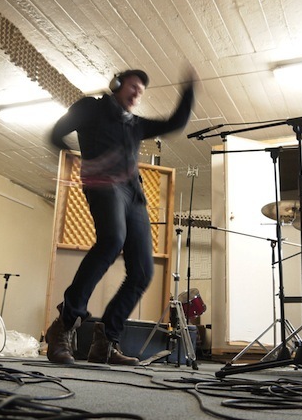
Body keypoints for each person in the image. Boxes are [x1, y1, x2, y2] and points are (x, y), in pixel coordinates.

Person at [46, 67, 195, 365]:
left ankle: (105, 343)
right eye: (133, 86)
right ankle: (64, 326)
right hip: (103, 185)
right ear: (116, 84)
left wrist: (189, 90)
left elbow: (174, 123)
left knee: (142, 272)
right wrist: (82, 161)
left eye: (141, 91)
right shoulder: (90, 108)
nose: (137, 93)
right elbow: (56, 134)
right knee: (112, 239)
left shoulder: (135, 125)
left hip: (133, 196)